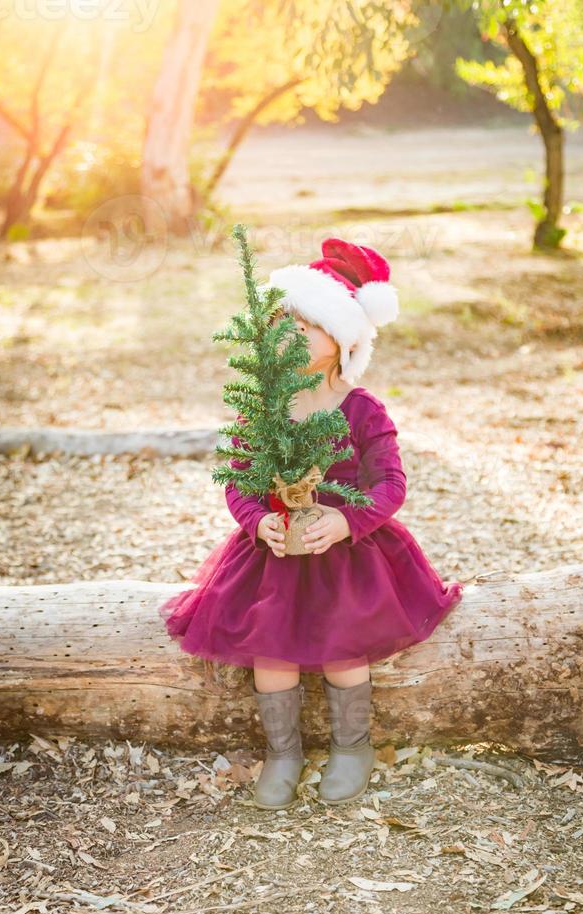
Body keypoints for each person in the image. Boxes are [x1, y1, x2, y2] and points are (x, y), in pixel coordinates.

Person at [158, 237, 464, 811]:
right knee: (272, 655)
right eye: (284, 322)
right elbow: (240, 480)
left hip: (350, 554)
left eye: (310, 324)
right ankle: (284, 752)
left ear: (344, 339)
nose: (293, 333)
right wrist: (257, 525)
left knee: (343, 650)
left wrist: (349, 523)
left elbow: (391, 485)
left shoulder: (361, 407)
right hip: (275, 557)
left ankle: (353, 747)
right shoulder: (265, 408)